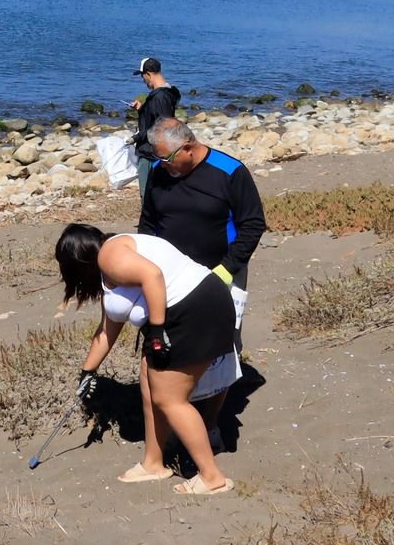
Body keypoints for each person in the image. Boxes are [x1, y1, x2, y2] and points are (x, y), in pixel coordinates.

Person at [54, 223, 235, 495]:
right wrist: (87, 372)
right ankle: (154, 463)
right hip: (190, 307)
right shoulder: (111, 267)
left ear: (77, 261)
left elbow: (153, 275)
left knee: (170, 399)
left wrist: (159, 332)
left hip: (195, 309)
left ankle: (212, 477)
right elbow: (107, 330)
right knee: (149, 387)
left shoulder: (109, 254)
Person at [139, 119, 266, 445]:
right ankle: (171, 423)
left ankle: (210, 425)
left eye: (166, 158)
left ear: (189, 148)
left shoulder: (230, 171)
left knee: (221, 351)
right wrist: (145, 260)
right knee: (165, 345)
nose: (161, 165)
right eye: (158, 159)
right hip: (170, 277)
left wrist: (225, 271)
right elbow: (149, 220)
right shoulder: (159, 170)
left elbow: (253, 224)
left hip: (220, 274)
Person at [128, 57, 182, 197]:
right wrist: (142, 110)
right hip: (156, 153)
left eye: (142, 76)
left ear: (149, 74)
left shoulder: (159, 97)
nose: (143, 80)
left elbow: (161, 127)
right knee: (156, 196)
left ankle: (151, 219)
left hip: (151, 154)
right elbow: (157, 119)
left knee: (147, 196)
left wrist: (136, 137)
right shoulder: (167, 93)